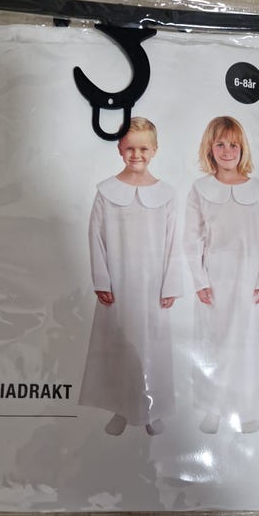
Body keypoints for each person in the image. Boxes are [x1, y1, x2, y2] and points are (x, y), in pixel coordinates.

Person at [79, 117, 182, 436]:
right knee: (120, 347)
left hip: (153, 289)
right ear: (119, 149)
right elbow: (95, 236)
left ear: (155, 150)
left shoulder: (166, 195)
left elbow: (173, 242)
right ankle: (120, 409)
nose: (136, 155)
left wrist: (171, 284)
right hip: (119, 286)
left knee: (151, 349)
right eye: (130, 148)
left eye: (143, 148)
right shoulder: (106, 193)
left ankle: (151, 412)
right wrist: (101, 281)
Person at [184, 116, 259, 434]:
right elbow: (191, 238)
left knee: (247, 345)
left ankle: (246, 408)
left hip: (249, 280)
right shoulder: (200, 189)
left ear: (243, 149)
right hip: (214, 279)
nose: (227, 151)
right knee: (214, 343)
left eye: (233, 145)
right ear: (210, 148)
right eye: (220, 144)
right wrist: (199, 280)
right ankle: (213, 407)